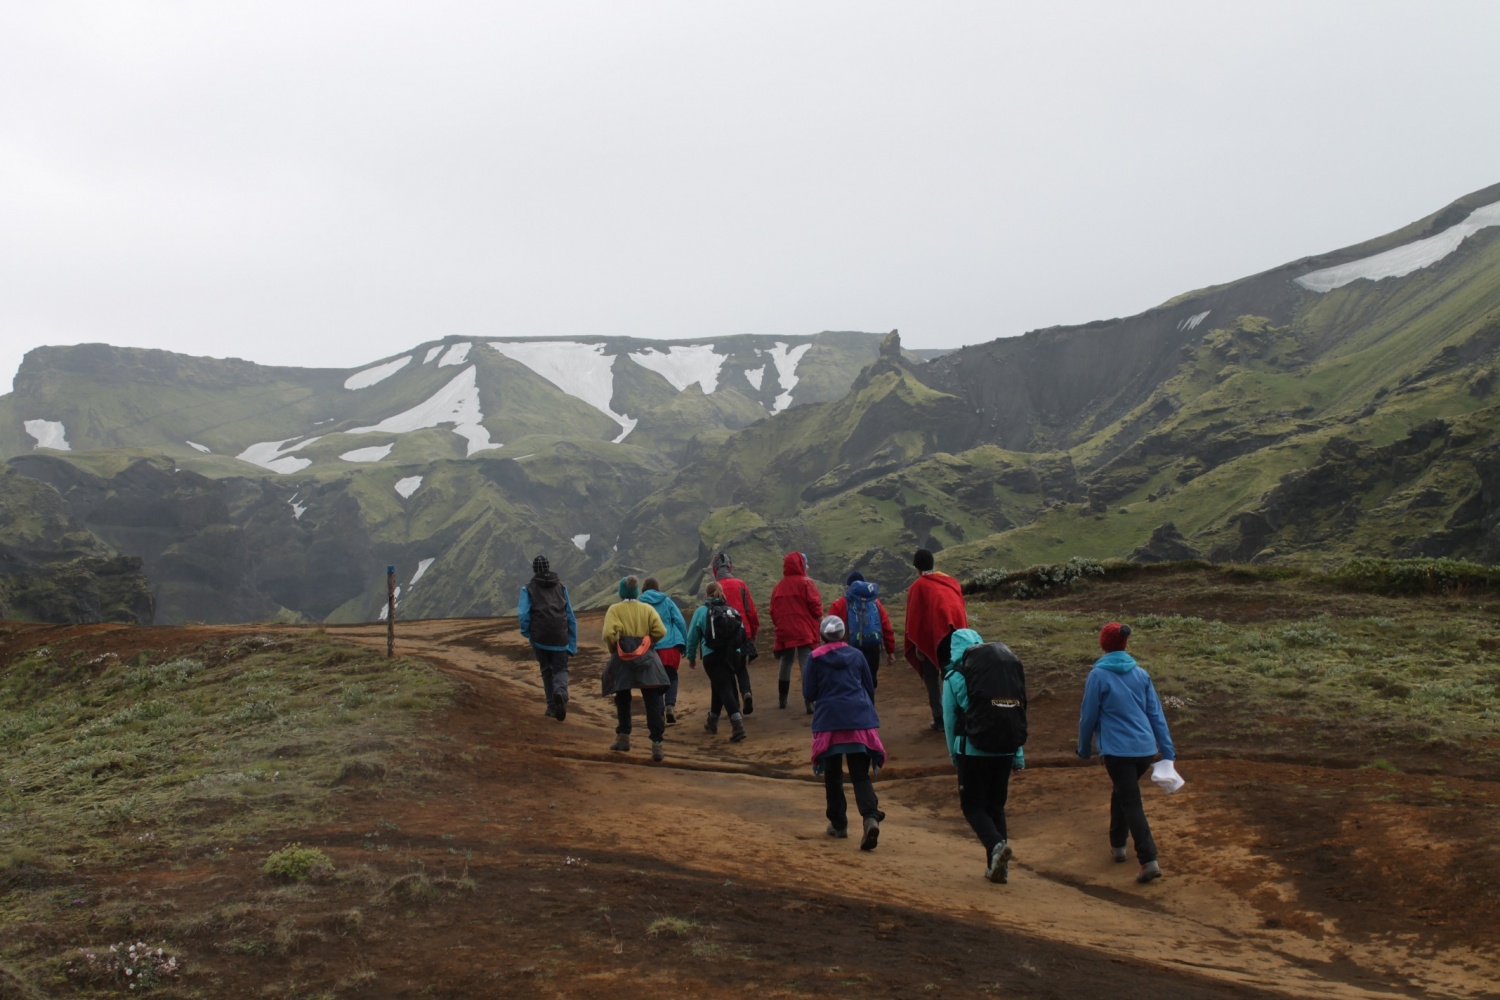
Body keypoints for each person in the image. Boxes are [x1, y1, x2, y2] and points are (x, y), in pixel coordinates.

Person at [1077, 622, 1177, 884]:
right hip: (1145, 750)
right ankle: (1118, 845)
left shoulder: (1098, 676)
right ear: (1125, 644)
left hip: (1117, 752)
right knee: (1123, 791)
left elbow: (1088, 716)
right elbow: (1156, 715)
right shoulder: (1141, 674)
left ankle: (1148, 859)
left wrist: (1084, 747)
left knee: (1130, 800)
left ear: (1103, 644)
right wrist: (1167, 751)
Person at [942, 628, 1026, 884]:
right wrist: (1017, 754)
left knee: (972, 806)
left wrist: (954, 754)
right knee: (996, 806)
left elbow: (950, 720)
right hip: (1006, 749)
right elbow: (1013, 715)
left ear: (954, 650)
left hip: (973, 750)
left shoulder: (954, 676)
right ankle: (997, 867)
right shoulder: (1001, 674)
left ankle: (997, 846)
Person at [804, 615, 886, 849]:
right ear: (843, 634)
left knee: (833, 775)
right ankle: (870, 817)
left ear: (822, 635)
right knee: (860, 775)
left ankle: (839, 824)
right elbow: (869, 687)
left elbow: (809, 693)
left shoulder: (814, 658)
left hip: (829, 723)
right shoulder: (857, 655)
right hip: (859, 721)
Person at [601, 576, 671, 761]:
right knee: (652, 700)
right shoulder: (647, 609)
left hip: (623, 659)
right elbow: (661, 631)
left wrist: (615, 650)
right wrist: (648, 641)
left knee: (622, 697)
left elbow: (608, 634)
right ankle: (657, 745)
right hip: (647, 658)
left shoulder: (614, 610)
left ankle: (623, 738)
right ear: (636, 590)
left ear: (621, 591)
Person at [903, 548, 968, 731]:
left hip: (934, 638)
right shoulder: (950, 582)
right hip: (956, 636)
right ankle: (958, 715)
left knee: (931, 677)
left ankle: (939, 719)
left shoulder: (918, 586)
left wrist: (919, 646)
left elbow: (916, 620)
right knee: (952, 676)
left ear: (916, 567)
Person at [683, 581, 748, 742]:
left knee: (723, 687)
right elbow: (741, 632)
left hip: (712, 656)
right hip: (733, 655)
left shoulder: (701, 611)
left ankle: (737, 725)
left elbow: (692, 637)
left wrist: (691, 657)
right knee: (719, 684)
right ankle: (712, 720)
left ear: (706, 595)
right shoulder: (731, 610)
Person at [517, 554, 577, 722]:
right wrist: (572, 643)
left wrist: (527, 632)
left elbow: (523, 614)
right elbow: (570, 616)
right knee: (561, 669)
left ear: (534, 570)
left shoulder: (527, 589)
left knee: (546, 670)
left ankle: (551, 707)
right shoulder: (562, 588)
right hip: (560, 636)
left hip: (540, 638)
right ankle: (561, 692)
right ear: (548, 567)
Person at [771, 551, 824, 712]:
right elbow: (815, 605)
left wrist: (780, 625)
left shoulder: (779, 586)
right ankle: (809, 701)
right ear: (801, 564)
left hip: (786, 630)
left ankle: (782, 699)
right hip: (804, 630)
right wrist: (820, 619)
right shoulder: (806, 583)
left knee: (786, 661)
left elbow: (773, 610)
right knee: (806, 662)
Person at [825, 571, 895, 691]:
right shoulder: (875, 603)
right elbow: (886, 627)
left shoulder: (839, 604)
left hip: (848, 650)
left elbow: (830, 631)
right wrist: (890, 651)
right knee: (870, 681)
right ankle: (869, 702)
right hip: (873, 647)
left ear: (848, 587)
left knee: (851, 683)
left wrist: (829, 652)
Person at [710, 552, 761, 714]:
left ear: (715, 569)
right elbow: (750, 610)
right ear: (730, 567)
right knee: (741, 667)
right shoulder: (740, 584)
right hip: (742, 633)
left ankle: (734, 706)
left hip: (722, 637)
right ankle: (746, 692)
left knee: (728, 670)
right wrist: (753, 631)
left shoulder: (713, 588)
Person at [640, 577, 689, 725]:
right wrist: (685, 643)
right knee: (671, 676)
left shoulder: (640, 603)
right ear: (657, 587)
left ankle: (659, 712)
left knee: (655, 681)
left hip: (650, 648)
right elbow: (680, 621)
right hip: (670, 646)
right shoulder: (667, 601)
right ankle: (670, 706)